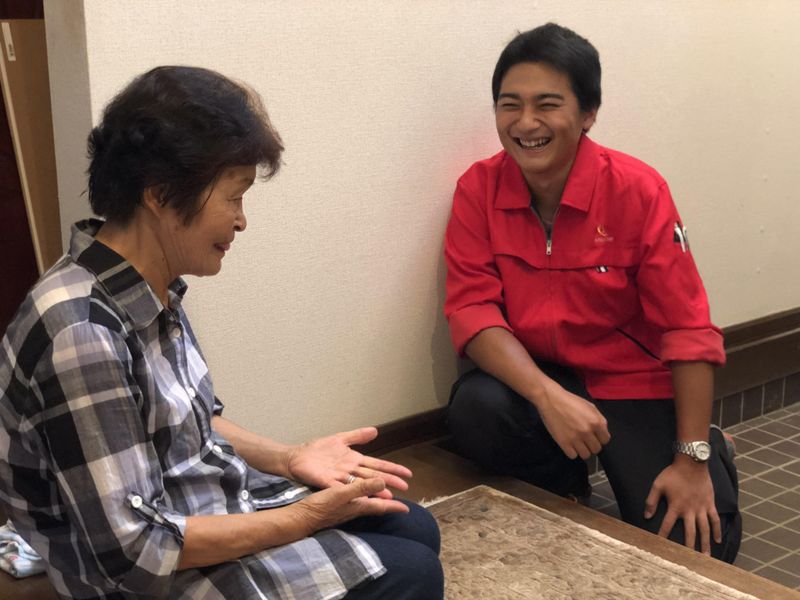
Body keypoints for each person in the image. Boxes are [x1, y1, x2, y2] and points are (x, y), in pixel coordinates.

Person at [0, 66, 443, 599]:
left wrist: (289, 458)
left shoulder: (138, 284)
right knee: (413, 572)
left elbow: (190, 419)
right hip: (135, 578)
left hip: (191, 505)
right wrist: (307, 517)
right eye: (234, 197)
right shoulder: (81, 333)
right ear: (161, 195)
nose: (241, 221)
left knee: (413, 526)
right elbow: (136, 554)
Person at [444, 23, 741, 562]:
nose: (526, 123)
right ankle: (565, 481)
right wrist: (545, 394)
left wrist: (691, 459)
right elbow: (472, 308)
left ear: (588, 113)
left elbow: (689, 329)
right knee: (476, 409)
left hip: (634, 383)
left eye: (547, 104)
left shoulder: (638, 189)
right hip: (544, 377)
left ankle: (712, 446)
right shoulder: (477, 188)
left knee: (701, 545)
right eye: (510, 105)